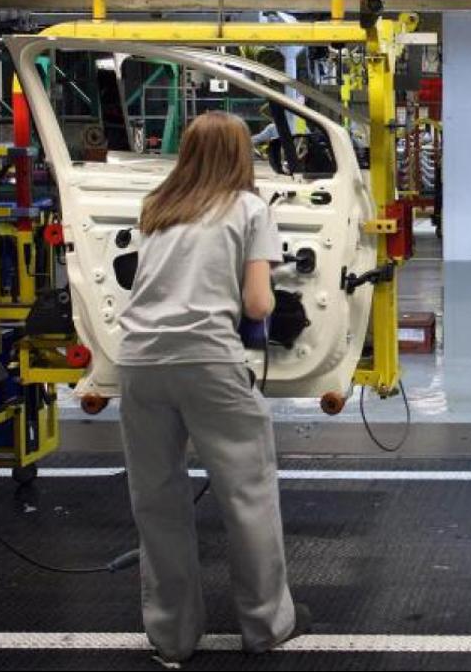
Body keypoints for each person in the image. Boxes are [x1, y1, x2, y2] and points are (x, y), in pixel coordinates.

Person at [117, 110, 310, 663]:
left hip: (139, 362)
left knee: (157, 502)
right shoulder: (250, 209)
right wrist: (270, 299)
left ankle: (172, 638)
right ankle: (266, 627)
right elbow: (256, 304)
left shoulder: (157, 207)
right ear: (240, 154)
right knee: (246, 496)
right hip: (207, 362)